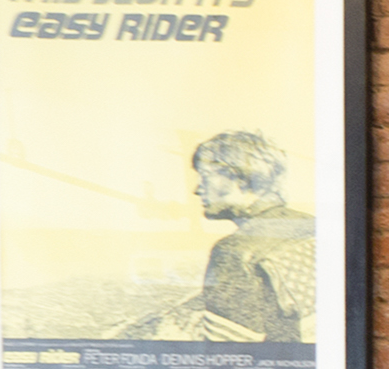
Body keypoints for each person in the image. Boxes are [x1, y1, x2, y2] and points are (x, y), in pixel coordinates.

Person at [119, 131, 316, 343]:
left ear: (239, 177)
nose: (196, 189)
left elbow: (228, 357)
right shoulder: (314, 226)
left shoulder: (234, 252)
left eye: (205, 176)